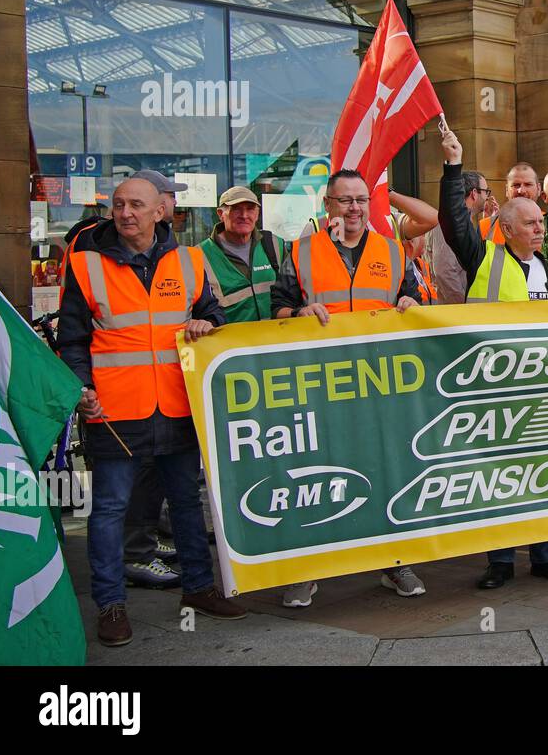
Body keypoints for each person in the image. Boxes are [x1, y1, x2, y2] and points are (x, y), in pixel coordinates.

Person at [57, 176, 245, 647]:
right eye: (118, 205)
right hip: (114, 409)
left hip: (177, 404)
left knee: (185, 503)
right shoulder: (85, 265)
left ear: (159, 211)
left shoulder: (189, 260)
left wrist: (208, 322)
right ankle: (111, 604)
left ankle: (199, 589)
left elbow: (214, 316)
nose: (125, 213)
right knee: (110, 510)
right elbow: (73, 339)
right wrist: (81, 386)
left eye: (136, 205)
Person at [270, 168, 426, 607]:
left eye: (360, 200)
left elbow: (416, 303)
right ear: (328, 206)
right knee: (318, 476)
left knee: (387, 472)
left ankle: (394, 561)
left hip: (380, 389)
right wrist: (297, 315)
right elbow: (276, 309)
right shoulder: (300, 253)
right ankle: (309, 569)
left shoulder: (394, 252)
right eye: (345, 201)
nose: (354, 208)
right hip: (320, 388)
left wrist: (412, 304)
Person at [437, 128, 548, 589]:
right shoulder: (484, 259)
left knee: (547, 472)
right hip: (497, 388)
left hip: (546, 389)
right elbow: (452, 223)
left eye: (541, 223)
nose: (541, 228)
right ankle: (499, 561)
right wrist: (452, 168)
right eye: (531, 223)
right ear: (506, 228)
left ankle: (546, 555)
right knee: (499, 477)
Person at [200, 186, 286, 324]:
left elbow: (292, 295)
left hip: (276, 341)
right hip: (231, 344)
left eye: (250, 209)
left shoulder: (275, 245)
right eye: (236, 209)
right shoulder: (199, 256)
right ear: (220, 214)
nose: (244, 215)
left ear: (257, 214)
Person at [427, 170, 491, 304]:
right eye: (486, 192)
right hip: (455, 312)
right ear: (474, 193)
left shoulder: (463, 222)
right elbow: (445, 271)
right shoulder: (451, 223)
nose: (487, 197)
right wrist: (462, 307)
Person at [479, 162, 541, 244]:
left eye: (528, 184)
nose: (521, 191)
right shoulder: (485, 226)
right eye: (516, 185)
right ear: (507, 190)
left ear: (539, 189)